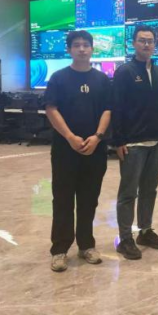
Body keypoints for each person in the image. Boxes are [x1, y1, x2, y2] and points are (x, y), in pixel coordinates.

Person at [45, 30, 113, 272]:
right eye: (77, 45)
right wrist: (70, 137)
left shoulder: (102, 79)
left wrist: (97, 137)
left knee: (89, 200)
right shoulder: (59, 78)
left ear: (92, 49)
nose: (82, 49)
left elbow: (108, 110)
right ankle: (60, 249)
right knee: (62, 200)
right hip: (65, 151)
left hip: (95, 150)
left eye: (86, 45)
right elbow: (51, 109)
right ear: (69, 49)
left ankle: (86, 245)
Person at [112, 25, 158, 260]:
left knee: (149, 190)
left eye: (150, 41)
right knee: (128, 193)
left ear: (155, 44)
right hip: (132, 144)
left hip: (155, 143)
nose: (146, 44)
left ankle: (145, 231)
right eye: (142, 40)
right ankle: (125, 238)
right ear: (133, 44)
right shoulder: (124, 72)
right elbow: (116, 107)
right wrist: (118, 141)